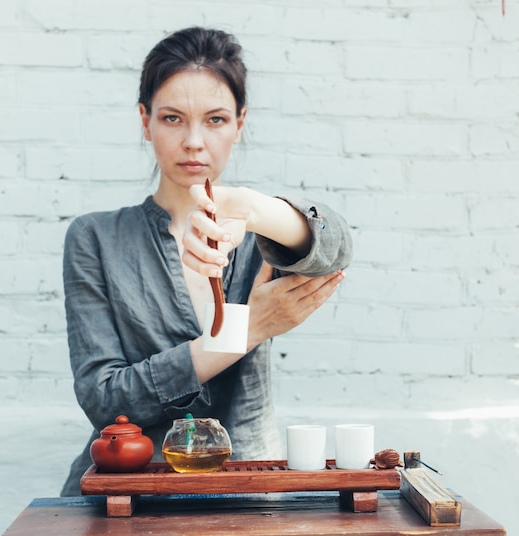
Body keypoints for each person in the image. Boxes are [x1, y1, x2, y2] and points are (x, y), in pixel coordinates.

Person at [60, 26, 353, 495]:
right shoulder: (95, 238)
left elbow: (337, 245)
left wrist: (256, 211)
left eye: (215, 120)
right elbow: (104, 397)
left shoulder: (261, 235)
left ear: (240, 122)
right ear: (145, 119)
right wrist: (249, 328)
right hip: (126, 497)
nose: (194, 141)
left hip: (249, 490)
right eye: (173, 118)